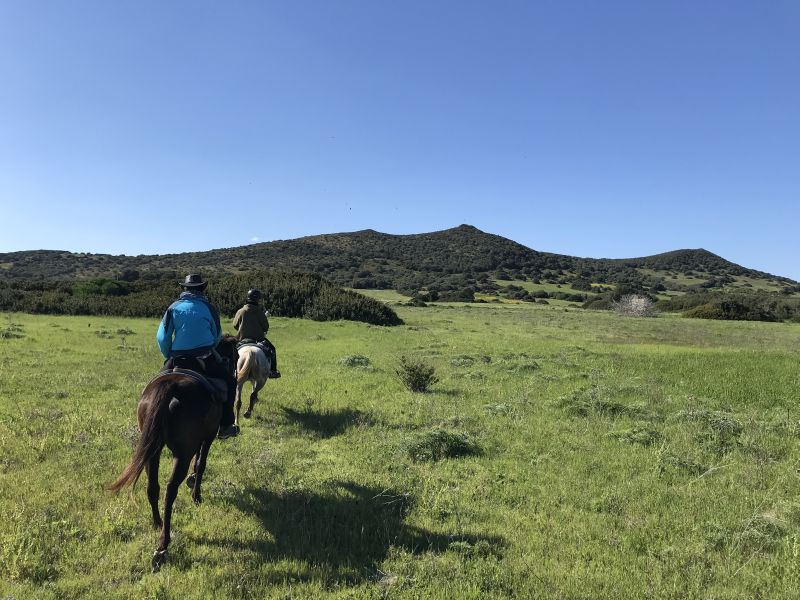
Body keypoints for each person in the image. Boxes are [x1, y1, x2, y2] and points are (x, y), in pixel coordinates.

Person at [156, 274, 239, 439]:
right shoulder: (209, 308)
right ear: (202, 289)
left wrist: (169, 355)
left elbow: (162, 337)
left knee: (156, 384)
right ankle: (226, 425)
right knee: (231, 382)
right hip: (204, 358)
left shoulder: (173, 307)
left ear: (185, 288)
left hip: (177, 358)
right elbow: (217, 335)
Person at [232, 288, 281, 378]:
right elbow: (266, 327)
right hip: (258, 339)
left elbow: (235, 325)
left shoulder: (240, 311)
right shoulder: (260, 312)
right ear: (258, 299)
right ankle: (273, 371)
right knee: (272, 350)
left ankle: (232, 371)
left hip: (242, 338)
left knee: (231, 351)